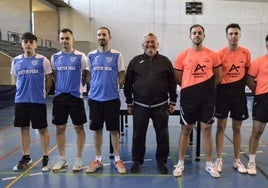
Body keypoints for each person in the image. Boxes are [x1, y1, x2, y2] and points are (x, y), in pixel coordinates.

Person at [124, 32, 177, 174]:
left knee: (162, 136)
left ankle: (161, 162)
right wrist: (129, 102)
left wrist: (173, 101)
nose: (150, 45)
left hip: (161, 106)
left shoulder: (165, 61)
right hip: (140, 106)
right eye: (147, 42)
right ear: (142, 45)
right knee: (138, 136)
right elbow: (128, 84)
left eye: (153, 42)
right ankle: (137, 162)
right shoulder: (135, 61)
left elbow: (172, 83)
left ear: (157, 44)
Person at [173, 24, 222, 178]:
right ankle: (180, 163)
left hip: (207, 99)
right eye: (194, 33)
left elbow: (219, 77)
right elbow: (177, 77)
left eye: (199, 33)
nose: (197, 35)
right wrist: (190, 86)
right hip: (188, 99)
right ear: (190, 36)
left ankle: (209, 164)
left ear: (204, 35)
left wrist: (205, 88)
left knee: (207, 130)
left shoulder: (213, 55)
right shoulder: (182, 55)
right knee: (186, 130)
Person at [86, 26, 126, 174]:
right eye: (99, 35)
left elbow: (122, 74)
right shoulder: (90, 55)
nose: (101, 37)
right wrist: (92, 87)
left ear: (109, 37)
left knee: (114, 130)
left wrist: (117, 86)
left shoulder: (117, 55)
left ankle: (117, 159)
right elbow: (88, 74)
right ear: (97, 38)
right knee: (97, 130)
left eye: (104, 35)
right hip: (95, 99)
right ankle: (98, 159)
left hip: (111, 99)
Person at [11, 32, 53, 172]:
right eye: (25, 42)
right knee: (24, 129)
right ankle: (26, 157)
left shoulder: (43, 60)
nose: (28, 44)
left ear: (35, 44)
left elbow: (49, 79)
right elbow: (17, 80)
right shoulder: (16, 61)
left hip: (37, 101)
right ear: (22, 44)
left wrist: (44, 93)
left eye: (31, 42)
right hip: (21, 101)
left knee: (42, 129)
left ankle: (46, 157)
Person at [51, 28, 89, 172]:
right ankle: (62, 159)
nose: (64, 41)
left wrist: (81, 88)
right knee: (60, 128)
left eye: (67, 38)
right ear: (60, 40)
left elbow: (86, 75)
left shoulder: (81, 57)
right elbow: (54, 75)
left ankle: (79, 160)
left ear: (73, 40)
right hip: (60, 97)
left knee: (79, 128)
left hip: (75, 97)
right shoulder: (55, 57)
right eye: (62, 38)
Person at [214, 23, 250, 174]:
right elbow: (216, 76)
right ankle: (219, 160)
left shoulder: (246, 53)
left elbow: (247, 74)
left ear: (239, 35)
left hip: (238, 94)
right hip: (222, 93)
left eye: (236, 33)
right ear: (227, 36)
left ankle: (237, 160)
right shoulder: (220, 54)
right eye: (231, 34)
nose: (233, 36)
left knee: (237, 128)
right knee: (221, 127)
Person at [246, 34, 268, 175]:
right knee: (257, 131)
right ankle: (251, 162)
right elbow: (249, 79)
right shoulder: (258, 62)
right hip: (262, 99)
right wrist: (259, 91)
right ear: (266, 44)